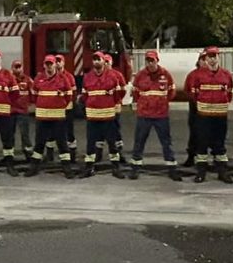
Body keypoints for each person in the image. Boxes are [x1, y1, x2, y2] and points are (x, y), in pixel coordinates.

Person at [128, 50, 181, 181]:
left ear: (157, 61)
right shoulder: (140, 75)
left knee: (166, 143)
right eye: (148, 61)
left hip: (161, 115)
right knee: (139, 142)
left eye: (152, 60)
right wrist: (143, 104)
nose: (150, 63)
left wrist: (162, 103)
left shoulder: (165, 74)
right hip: (144, 115)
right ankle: (135, 168)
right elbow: (135, 93)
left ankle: (172, 169)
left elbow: (172, 92)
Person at [24, 55, 76, 178]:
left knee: (62, 142)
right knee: (39, 142)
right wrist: (42, 104)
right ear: (44, 65)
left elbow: (69, 95)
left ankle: (66, 167)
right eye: (47, 64)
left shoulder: (63, 79)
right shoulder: (39, 78)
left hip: (58, 117)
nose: (49, 66)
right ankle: (34, 166)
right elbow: (34, 95)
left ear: (55, 65)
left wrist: (61, 104)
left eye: (51, 64)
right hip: (42, 117)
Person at [189, 46, 233, 184]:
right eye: (210, 57)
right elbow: (193, 94)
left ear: (219, 57)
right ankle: (201, 173)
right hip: (203, 116)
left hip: (220, 116)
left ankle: (222, 172)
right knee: (202, 145)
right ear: (206, 58)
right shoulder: (197, 75)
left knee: (219, 145)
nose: (213, 59)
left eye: (215, 56)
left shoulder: (226, 75)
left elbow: (230, 93)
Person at [79, 51, 126, 178]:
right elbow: (84, 95)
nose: (96, 62)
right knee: (90, 143)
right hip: (92, 116)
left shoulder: (112, 76)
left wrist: (110, 102)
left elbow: (119, 94)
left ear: (103, 61)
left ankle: (116, 167)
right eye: (94, 60)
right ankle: (89, 167)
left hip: (108, 116)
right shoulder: (87, 77)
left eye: (98, 59)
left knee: (111, 142)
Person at [182, 52, 207, 167]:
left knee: (212, 135)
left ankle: (211, 160)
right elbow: (187, 90)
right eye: (202, 59)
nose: (204, 62)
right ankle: (191, 157)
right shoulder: (192, 75)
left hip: (211, 110)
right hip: (195, 109)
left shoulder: (215, 75)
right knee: (195, 134)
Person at [10, 60, 35, 160]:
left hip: (23, 112)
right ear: (12, 68)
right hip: (10, 112)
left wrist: (32, 105)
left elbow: (33, 93)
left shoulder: (28, 80)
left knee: (25, 134)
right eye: (16, 67)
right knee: (9, 135)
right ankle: (9, 156)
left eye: (19, 67)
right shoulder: (9, 80)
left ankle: (28, 154)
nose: (18, 69)